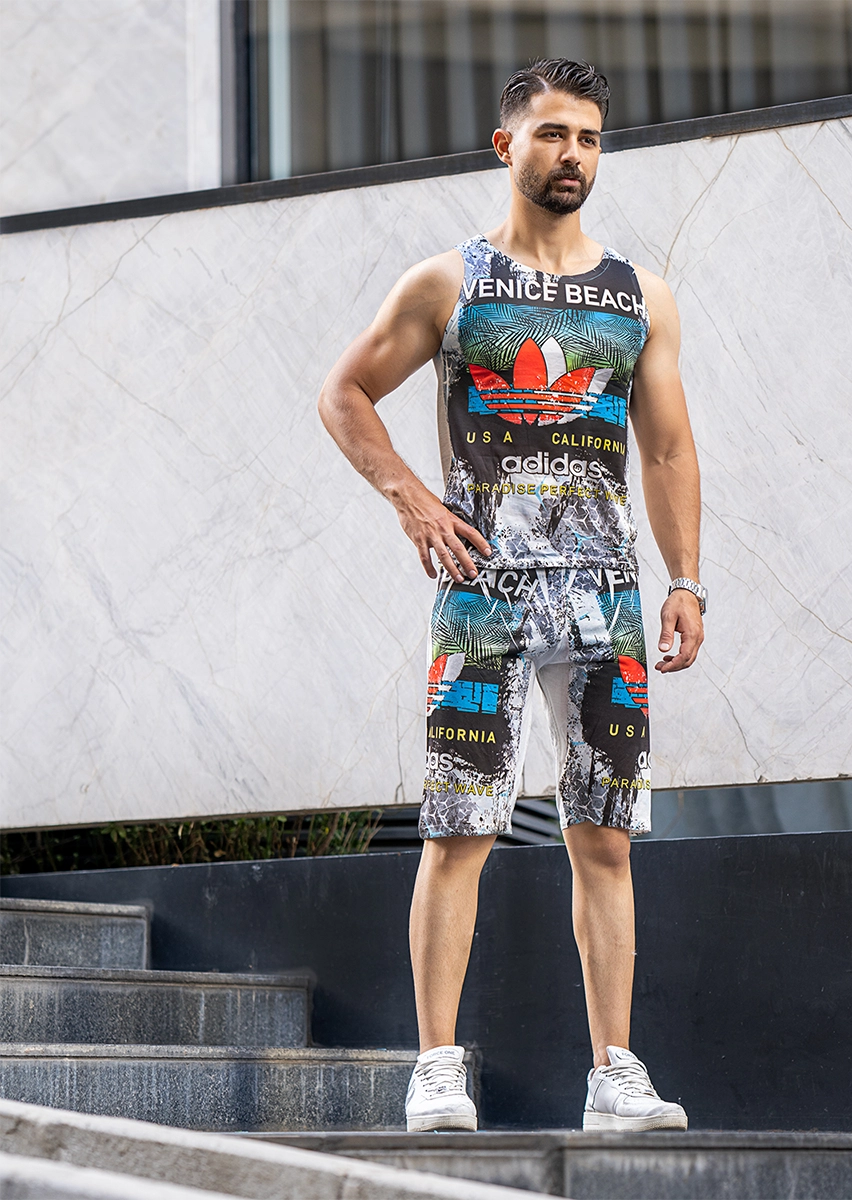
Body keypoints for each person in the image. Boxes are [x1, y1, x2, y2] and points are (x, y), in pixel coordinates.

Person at [318, 58, 706, 1133]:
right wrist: (410, 499)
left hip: (605, 599)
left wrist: (686, 581)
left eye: (588, 137)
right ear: (507, 146)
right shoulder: (450, 282)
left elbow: (667, 449)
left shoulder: (639, 297)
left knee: (606, 834)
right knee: (460, 827)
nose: (571, 154)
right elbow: (344, 392)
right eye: (551, 134)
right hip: (483, 593)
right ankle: (436, 1067)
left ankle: (614, 1072)